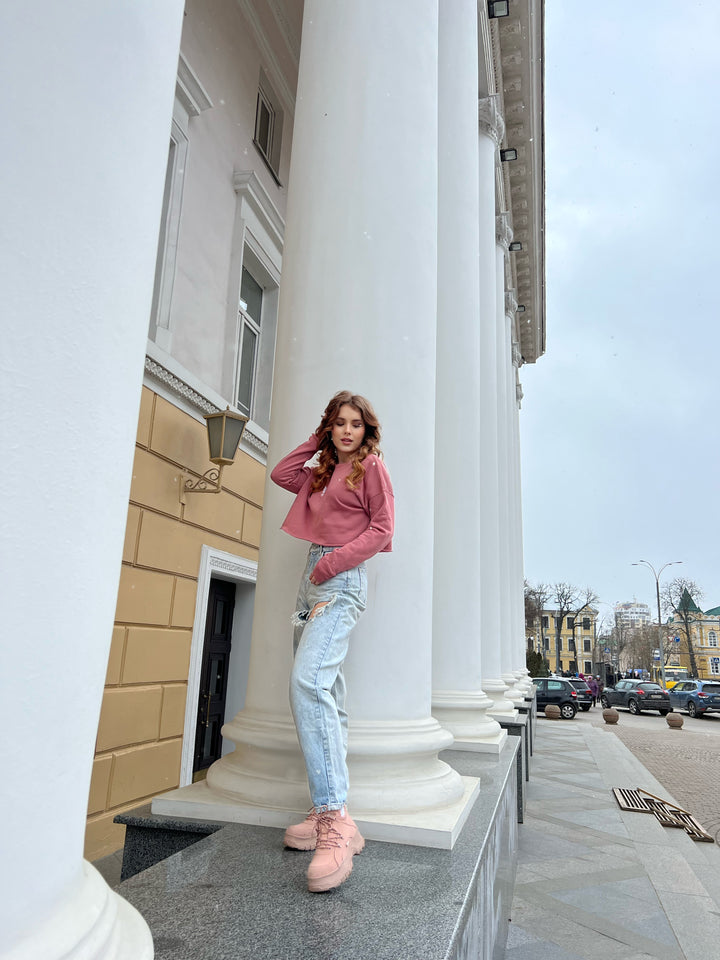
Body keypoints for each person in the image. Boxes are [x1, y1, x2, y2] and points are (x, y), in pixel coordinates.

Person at [270, 390, 394, 893]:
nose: (347, 431)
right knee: (329, 695)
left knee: (308, 682)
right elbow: (282, 473)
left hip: (339, 581)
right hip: (312, 579)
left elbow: (383, 528)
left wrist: (332, 563)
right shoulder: (321, 470)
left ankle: (333, 818)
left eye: (355, 424)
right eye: (338, 424)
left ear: (367, 430)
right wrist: (315, 440)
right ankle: (332, 809)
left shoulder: (372, 470)